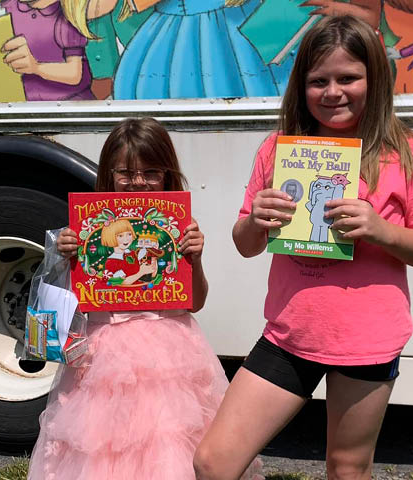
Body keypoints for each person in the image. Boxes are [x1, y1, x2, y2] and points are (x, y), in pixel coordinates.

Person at [194, 15, 413, 480]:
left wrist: (382, 231)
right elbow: (245, 245)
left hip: (368, 341)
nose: (333, 92)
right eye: (318, 81)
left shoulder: (407, 151)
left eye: (348, 78)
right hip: (289, 335)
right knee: (213, 461)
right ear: (301, 86)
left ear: (375, 78)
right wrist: (256, 219)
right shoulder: (279, 149)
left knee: (346, 469)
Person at [27, 118, 262, 479]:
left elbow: (195, 301)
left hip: (170, 353)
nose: (138, 181)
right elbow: (76, 297)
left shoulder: (177, 226)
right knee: (100, 446)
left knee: (168, 445)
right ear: (109, 173)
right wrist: (65, 256)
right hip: (101, 351)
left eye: (151, 171)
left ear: (168, 174)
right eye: (125, 172)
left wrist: (194, 260)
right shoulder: (91, 227)